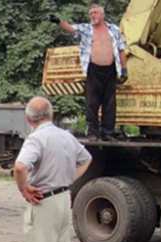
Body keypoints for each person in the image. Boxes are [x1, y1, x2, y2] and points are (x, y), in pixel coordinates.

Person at [14, 97, 92, 242]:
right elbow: (86, 159)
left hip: (44, 200)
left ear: (28, 119)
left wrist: (24, 188)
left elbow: (20, 167)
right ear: (51, 114)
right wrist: (69, 178)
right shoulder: (66, 136)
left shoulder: (36, 138)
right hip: (63, 199)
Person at [50, 4, 128, 140]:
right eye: (91, 13)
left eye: (95, 12)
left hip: (111, 70)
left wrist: (124, 69)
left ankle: (107, 132)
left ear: (102, 15)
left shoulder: (114, 29)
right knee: (92, 102)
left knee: (110, 103)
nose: (92, 15)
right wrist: (58, 21)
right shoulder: (86, 29)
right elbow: (70, 28)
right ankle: (93, 132)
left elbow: (121, 49)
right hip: (93, 69)